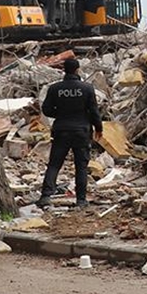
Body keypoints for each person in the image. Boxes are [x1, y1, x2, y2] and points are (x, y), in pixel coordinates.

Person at [37, 58, 102, 209]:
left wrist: (60, 114)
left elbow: (46, 109)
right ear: (77, 70)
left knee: (54, 164)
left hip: (61, 130)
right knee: (81, 166)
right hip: (81, 131)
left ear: (64, 70)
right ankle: (81, 200)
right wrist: (98, 128)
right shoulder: (87, 88)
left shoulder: (55, 88)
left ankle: (46, 196)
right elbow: (94, 111)